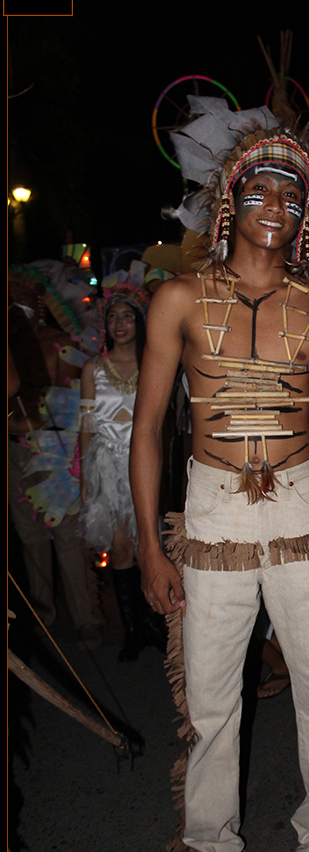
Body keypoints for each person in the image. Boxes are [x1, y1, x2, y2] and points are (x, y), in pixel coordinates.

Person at [130, 99, 309, 852]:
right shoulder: (178, 299)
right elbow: (148, 429)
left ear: (306, 213)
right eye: (263, 189)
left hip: (303, 499)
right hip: (213, 505)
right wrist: (146, 546)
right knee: (210, 691)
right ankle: (207, 850)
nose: (279, 206)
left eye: (293, 196)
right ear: (231, 200)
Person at [8, 267, 103, 648]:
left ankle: (87, 618)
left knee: (67, 536)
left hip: (55, 448)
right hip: (14, 449)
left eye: (23, 297)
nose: (16, 304)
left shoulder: (62, 343)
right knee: (30, 536)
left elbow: (80, 398)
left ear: (40, 303)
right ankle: (42, 617)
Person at [80, 278, 165, 661]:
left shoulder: (155, 363)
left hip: (144, 465)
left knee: (149, 542)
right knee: (120, 548)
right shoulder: (92, 369)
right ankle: (133, 630)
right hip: (108, 465)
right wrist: (86, 478)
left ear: (140, 321)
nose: (119, 324)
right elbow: (86, 427)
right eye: (112, 317)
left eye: (127, 316)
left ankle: (155, 623)